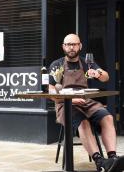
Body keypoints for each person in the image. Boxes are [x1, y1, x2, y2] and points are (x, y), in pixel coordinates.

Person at [49, 33, 124, 172]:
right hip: (65, 104)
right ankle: (100, 163)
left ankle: (112, 158)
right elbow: (52, 91)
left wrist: (98, 74)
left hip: (86, 101)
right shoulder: (56, 65)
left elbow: (105, 77)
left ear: (80, 46)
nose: (71, 47)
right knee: (83, 122)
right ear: (63, 46)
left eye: (74, 44)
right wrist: (69, 98)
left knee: (107, 117)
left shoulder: (86, 62)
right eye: (68, 44)